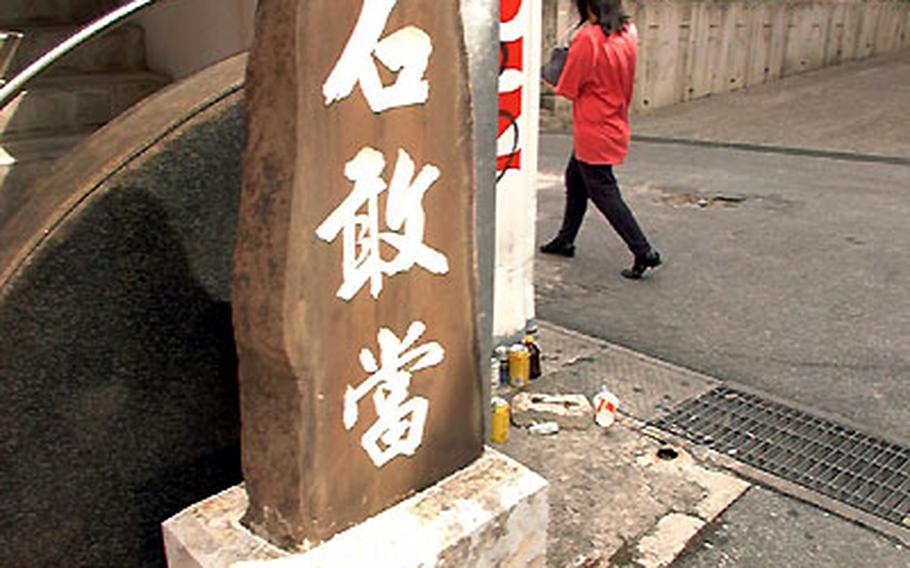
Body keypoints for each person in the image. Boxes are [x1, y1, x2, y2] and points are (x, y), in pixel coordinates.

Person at [540, 0, 662, 280]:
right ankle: (565, 239)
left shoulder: (588, 37)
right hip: (613, 119)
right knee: (575, 178)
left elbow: (568, 88)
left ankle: (643, 250)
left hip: (593, 126)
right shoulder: (628, 30)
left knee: (602, 190)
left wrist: (549, 76)